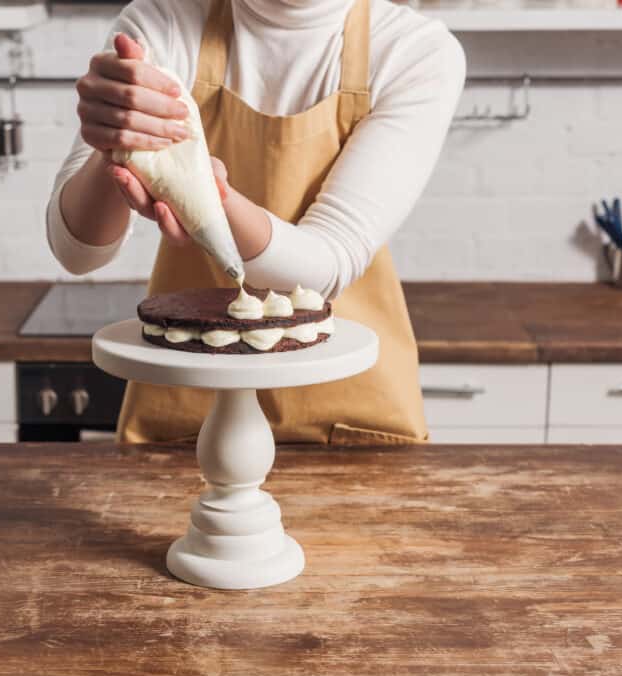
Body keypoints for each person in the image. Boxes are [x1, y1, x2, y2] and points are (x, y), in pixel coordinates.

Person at [47, 0, 466, 445]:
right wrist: (117, 141)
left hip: (348, 420)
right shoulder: (165, 22)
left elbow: (324, 268)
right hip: (190, 413)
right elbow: (78, 252)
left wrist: (202, 193)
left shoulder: (412, 50)